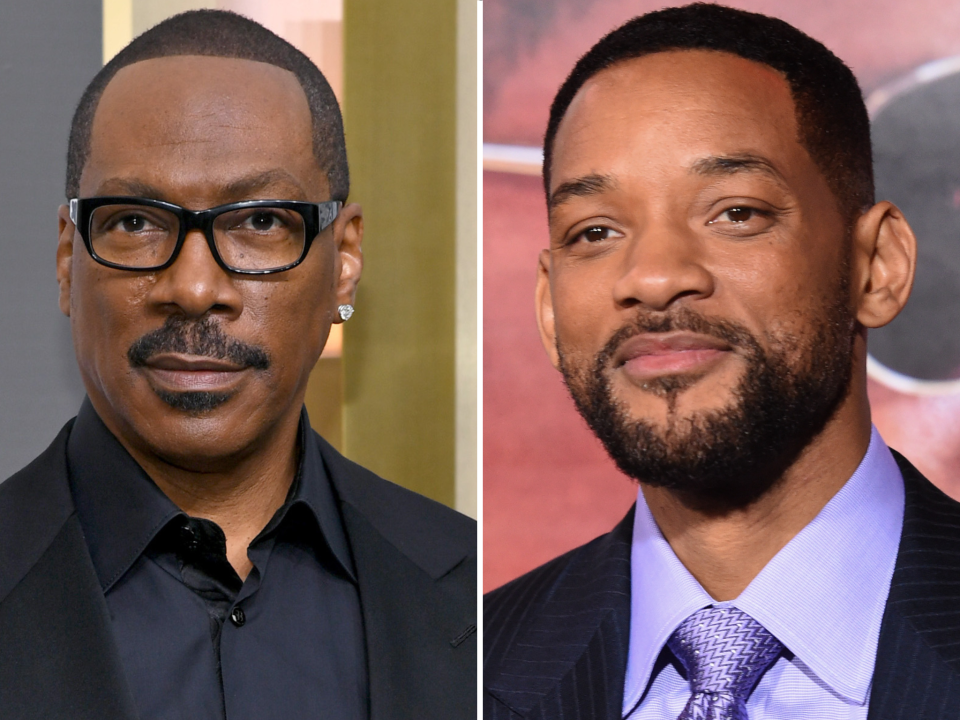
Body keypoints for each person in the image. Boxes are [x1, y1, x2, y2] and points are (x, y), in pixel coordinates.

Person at [484, 4, 960, 719]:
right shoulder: (452, 671)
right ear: (549, 310)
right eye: (595, 230)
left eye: (735, 212)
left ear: (876, 267)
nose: (653, 276)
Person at [0, 10, 475, 720]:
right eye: (134, 221)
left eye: (259, 222)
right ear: (69, 260)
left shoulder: (476, 586)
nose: (194, 288)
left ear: (344, 264)